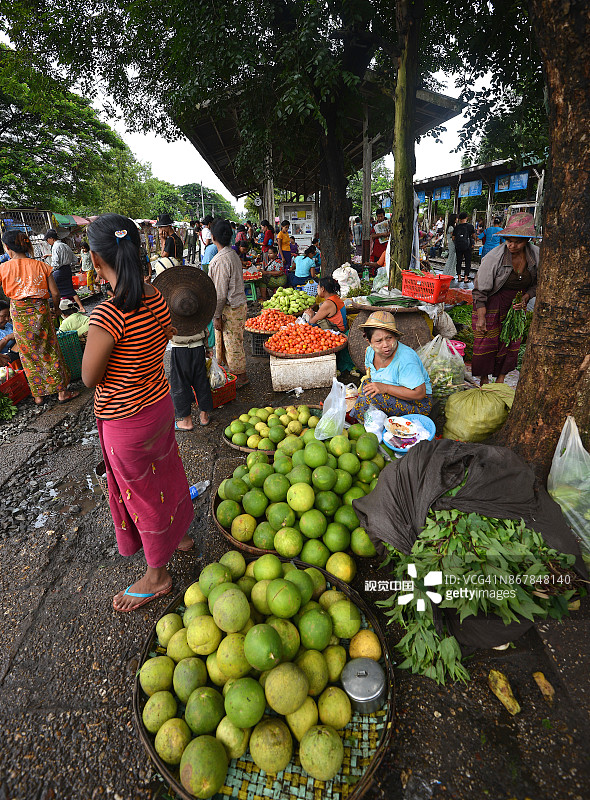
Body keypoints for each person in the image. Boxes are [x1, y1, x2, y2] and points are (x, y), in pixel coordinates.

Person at [81, 213, 195, 612]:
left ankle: (157, 575)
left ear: (97, 259)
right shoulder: (155, 295)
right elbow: (162, 336)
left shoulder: (107, 315)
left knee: (141, 493)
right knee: (166, 470)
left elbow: (89, 377)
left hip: (126, 422)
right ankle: (179, 533)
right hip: (160, 406)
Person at [0, 230, 77, 404]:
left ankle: (38, 396)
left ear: (7, 248)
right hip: (40, 311)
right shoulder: (42, 266)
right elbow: (55, 294)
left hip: (19, 313)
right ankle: (62, 393)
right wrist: (56, 310)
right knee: (49, 349)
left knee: (28, 352)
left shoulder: (3, 268)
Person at [471, 213, 539, 385]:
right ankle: (484, 381)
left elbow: (539, 284)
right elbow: (480, 290)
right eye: (509, 240)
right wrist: (481, 317)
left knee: (511, 341)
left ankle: (500, 380)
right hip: (491, 303)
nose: (512, 245)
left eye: (518, 241)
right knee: (486, 341)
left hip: (515, 306)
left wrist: (526, 297)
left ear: (528, 240)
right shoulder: (494, 257)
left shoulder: (536, 256)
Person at [153, 266, 216, 430]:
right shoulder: (199, 311)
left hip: (179, 351)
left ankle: (186, 421)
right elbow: (207, 330)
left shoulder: (168, 312)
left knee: (180, 383)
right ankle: (204, 416)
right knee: (201, 381)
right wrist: (209, 348)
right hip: (198, 349)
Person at [352, 311, 432, 421]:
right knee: (367, 386)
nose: (386, 345)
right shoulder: (370, 352)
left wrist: (385, 388)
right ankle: (361, 421)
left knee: (371, 398)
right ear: (369, 342)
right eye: (378, 341)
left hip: (417, 404)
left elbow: (420, 393)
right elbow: (369, 372)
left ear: (396, 337)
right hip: (393, 393)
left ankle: (362, 425)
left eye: (389, 338)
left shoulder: (405, 358)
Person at [209, 218, 249, 389]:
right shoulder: (233, 255)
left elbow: (219, 294)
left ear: (213, 237)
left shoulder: (220, 260)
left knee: (232, 344)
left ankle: (241, 377)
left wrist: (216, 316)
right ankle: (235, 373)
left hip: (229, 308)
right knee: (233, 342)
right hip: (238, 306)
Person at [44, 229, 85, 312]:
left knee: (52, 290)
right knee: (70, 290)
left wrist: (49, 271)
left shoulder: (55, 246)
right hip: (67, 270)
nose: (48, 242)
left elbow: (55, 263)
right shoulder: (65, 245)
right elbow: (74, 260)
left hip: (59, 272)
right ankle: (81, 308)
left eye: (47, 240)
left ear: (51, 238)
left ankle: (56, 309)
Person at [452, 212, 476, 283]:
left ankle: (459, 277)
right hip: (467, 246)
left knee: (459, 261)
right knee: (467, 261)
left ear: (459, 219)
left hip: (458, 246)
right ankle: (465, 278)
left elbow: (453, 238)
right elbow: (474, 236)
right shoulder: (470, 226)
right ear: (466, 218)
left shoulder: (456, 227)